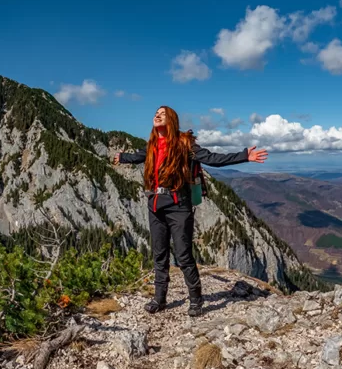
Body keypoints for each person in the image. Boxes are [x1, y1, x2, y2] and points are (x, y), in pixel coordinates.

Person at [113, 106, 268, 317]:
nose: (157, 115)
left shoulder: (185, 144)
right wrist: (122, 157)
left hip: (179, 205)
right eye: (156, 113)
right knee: (159, 254)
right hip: (155, 204)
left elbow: (212, 158)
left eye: (163, 114)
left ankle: (196, 299)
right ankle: (160, 298)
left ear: (172, 120)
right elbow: (137, 157)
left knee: (183, 255)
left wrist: (244, 156)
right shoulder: (151, 146)